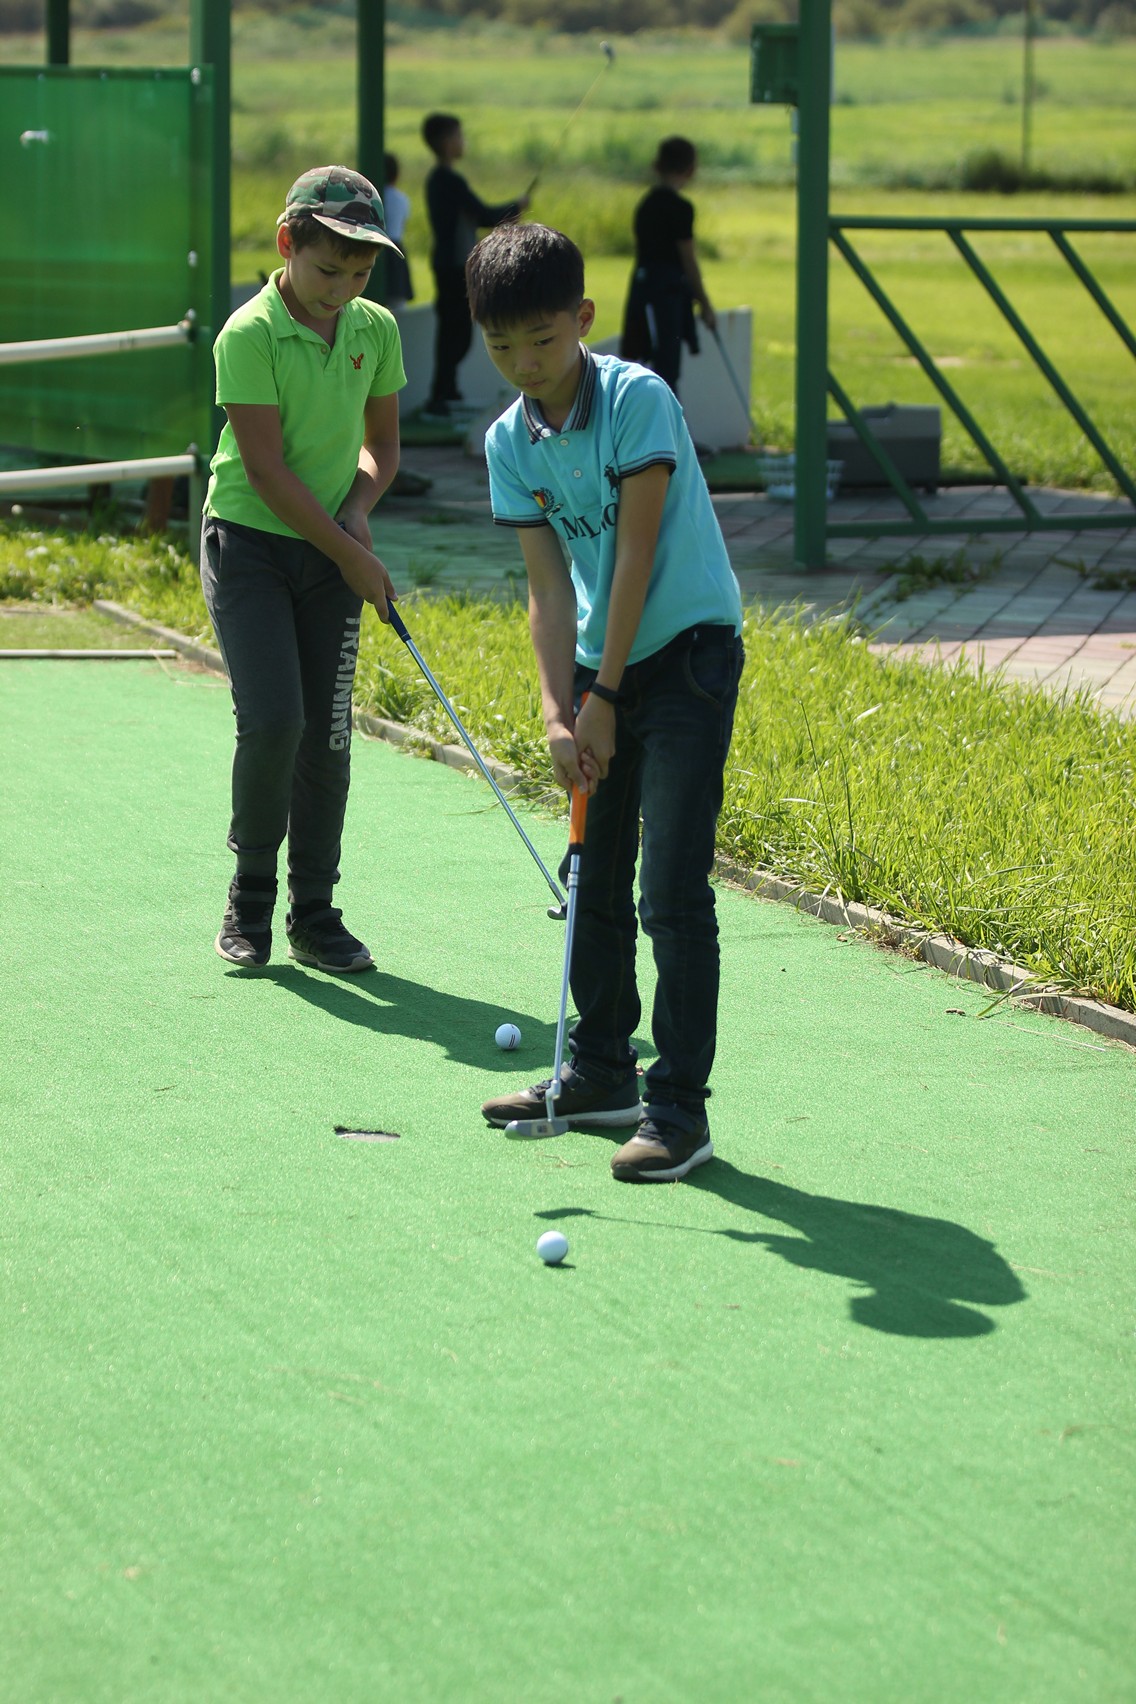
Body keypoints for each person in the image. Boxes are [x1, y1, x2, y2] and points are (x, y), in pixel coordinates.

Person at [468, 223, 744, 1183]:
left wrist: (607, 694)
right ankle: (600, 1072)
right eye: (501, 346)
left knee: (669, 887)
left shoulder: (637, 400)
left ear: (583, 318)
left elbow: (633, 553)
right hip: (601, 672)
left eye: (542, 340)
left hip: (687, 655)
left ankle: (678, 1111)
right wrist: (559, 710)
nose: (524, 364)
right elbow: (548, 589)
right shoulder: (509, 441)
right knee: (592, 875)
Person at [200, 165, 406, 973]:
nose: (341, 290)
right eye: (328, 270)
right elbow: (267, 473)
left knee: (328, 735)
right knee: (275, 721)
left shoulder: (373, 329)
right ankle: (250, 897)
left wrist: (358, 506)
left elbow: (382, 447)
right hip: (250, 546)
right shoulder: (247, 335)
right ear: (287, 243)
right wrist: (350, 550)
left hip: (329, 548)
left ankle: (314, 914)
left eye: (359, 275)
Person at [420, 112, 529, 418]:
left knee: (453, 329)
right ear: (446, 142)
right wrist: (516, 207)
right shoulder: (449, 181)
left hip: (447, 263)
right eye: (458, 136)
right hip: (455, 265)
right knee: (456, 332)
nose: (462, 141)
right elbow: (484, 215)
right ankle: (441, 396)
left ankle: (448, 392)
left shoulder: (438, 180)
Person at [620, 136, 716, 396]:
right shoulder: (681, 208)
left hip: (642, 288)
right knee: (666, 369)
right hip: (666, 294)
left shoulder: (645, 204)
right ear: (690, 169)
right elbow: (688, 260)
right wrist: (705, 303)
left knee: (642, 362)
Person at [381, 151, 414, 312]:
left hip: (378, 246)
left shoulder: (376, 197)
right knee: (398, 303)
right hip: (396, 247)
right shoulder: (402, 198)